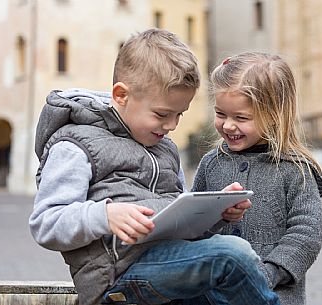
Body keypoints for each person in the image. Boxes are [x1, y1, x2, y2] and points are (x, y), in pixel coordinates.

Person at [30, 29, 280, 305]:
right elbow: (46, 223)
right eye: (162, 114)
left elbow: (182, 226)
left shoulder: (165, 148)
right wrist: (105, 215)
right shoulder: (75, 144)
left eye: (179, 114)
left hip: (171, 268)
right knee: (233, 255)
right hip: (119, 280)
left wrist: (217, 213)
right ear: (122, 95)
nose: (172, 125)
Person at [192, 52, 322, 305]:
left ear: (274, 115)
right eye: (221, 114)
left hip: (275, 296)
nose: (228, 125)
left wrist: (267, 273)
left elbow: (306, 235)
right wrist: (214, 214)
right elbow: (193, 226)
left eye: (241, 118)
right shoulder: (211, 164)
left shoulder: (295, 170)